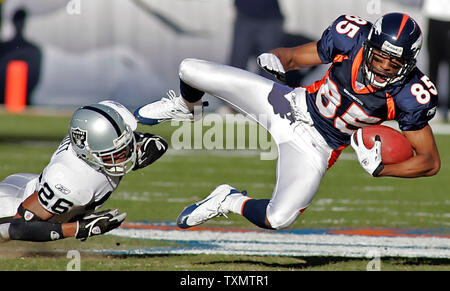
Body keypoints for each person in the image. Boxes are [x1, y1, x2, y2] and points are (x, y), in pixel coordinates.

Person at [134, 13, 441, 231]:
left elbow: (430, 161)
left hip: (317, 147)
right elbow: (292, 57)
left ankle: (227, 201)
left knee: (278, 218)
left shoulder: (411, 94)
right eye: (380, 57)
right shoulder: (350, 40)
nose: (385, 68)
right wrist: (276, 58)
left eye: (395, 63)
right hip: (289, 105)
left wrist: (383, 169)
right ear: (368, 45)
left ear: (410, 62)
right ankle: (189, 108)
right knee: (190, 69)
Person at [0, 101, 167, 242]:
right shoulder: (70, 180)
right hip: (9, 208)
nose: (124, 157)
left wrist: (148, 143)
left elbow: (135, 139)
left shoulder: (98, 133)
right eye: (114, 155)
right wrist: (81, 228)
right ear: (88, 154)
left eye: (126, 147)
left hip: (31, 185)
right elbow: (18, 227)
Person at [423, 0, 450, 121]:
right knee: (433, 64)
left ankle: (448, 108)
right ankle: (433, 106)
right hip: (433, 15)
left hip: (448, 17)